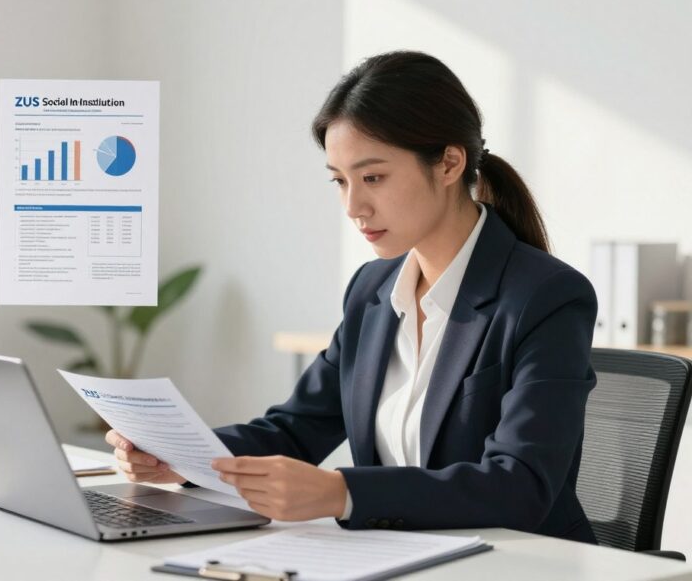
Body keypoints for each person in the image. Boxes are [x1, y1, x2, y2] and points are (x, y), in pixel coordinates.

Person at [106, 50, 598, 543]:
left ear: (449, 163)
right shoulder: (372, 290)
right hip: (400, 556)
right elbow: (297, 430)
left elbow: (521, 486)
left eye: (373, 178)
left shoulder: (546, 297)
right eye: (340, 181)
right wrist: (179, 455)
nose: (353, 206)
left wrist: (343, 493)